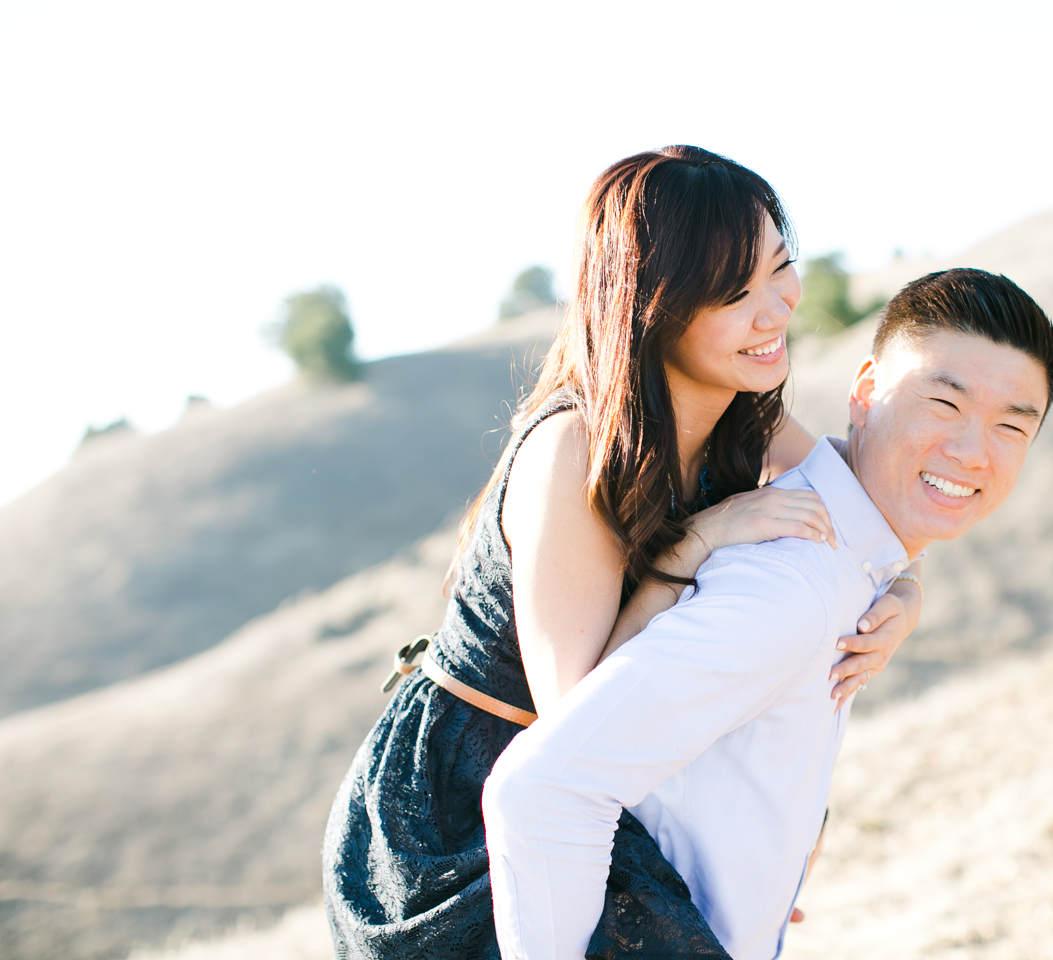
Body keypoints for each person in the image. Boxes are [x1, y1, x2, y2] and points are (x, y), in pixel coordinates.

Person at [322, 146, 924, 958]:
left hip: (597, 784)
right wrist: (698, 545)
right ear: (655, 306)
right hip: (457, 815)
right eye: (732, 293)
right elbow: (575, 722)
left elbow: (862, 518)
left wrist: (905, 598)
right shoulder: (572, 450)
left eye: (781, 269)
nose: (774, 310)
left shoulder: (748, 417)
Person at [483, 267, 1053, 960]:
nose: (973, 452)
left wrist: (908, 590)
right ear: (865, 391)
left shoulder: (856, 563)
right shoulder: (794, 586)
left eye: (1010, 426)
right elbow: (543, 788)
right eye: (944, 405)